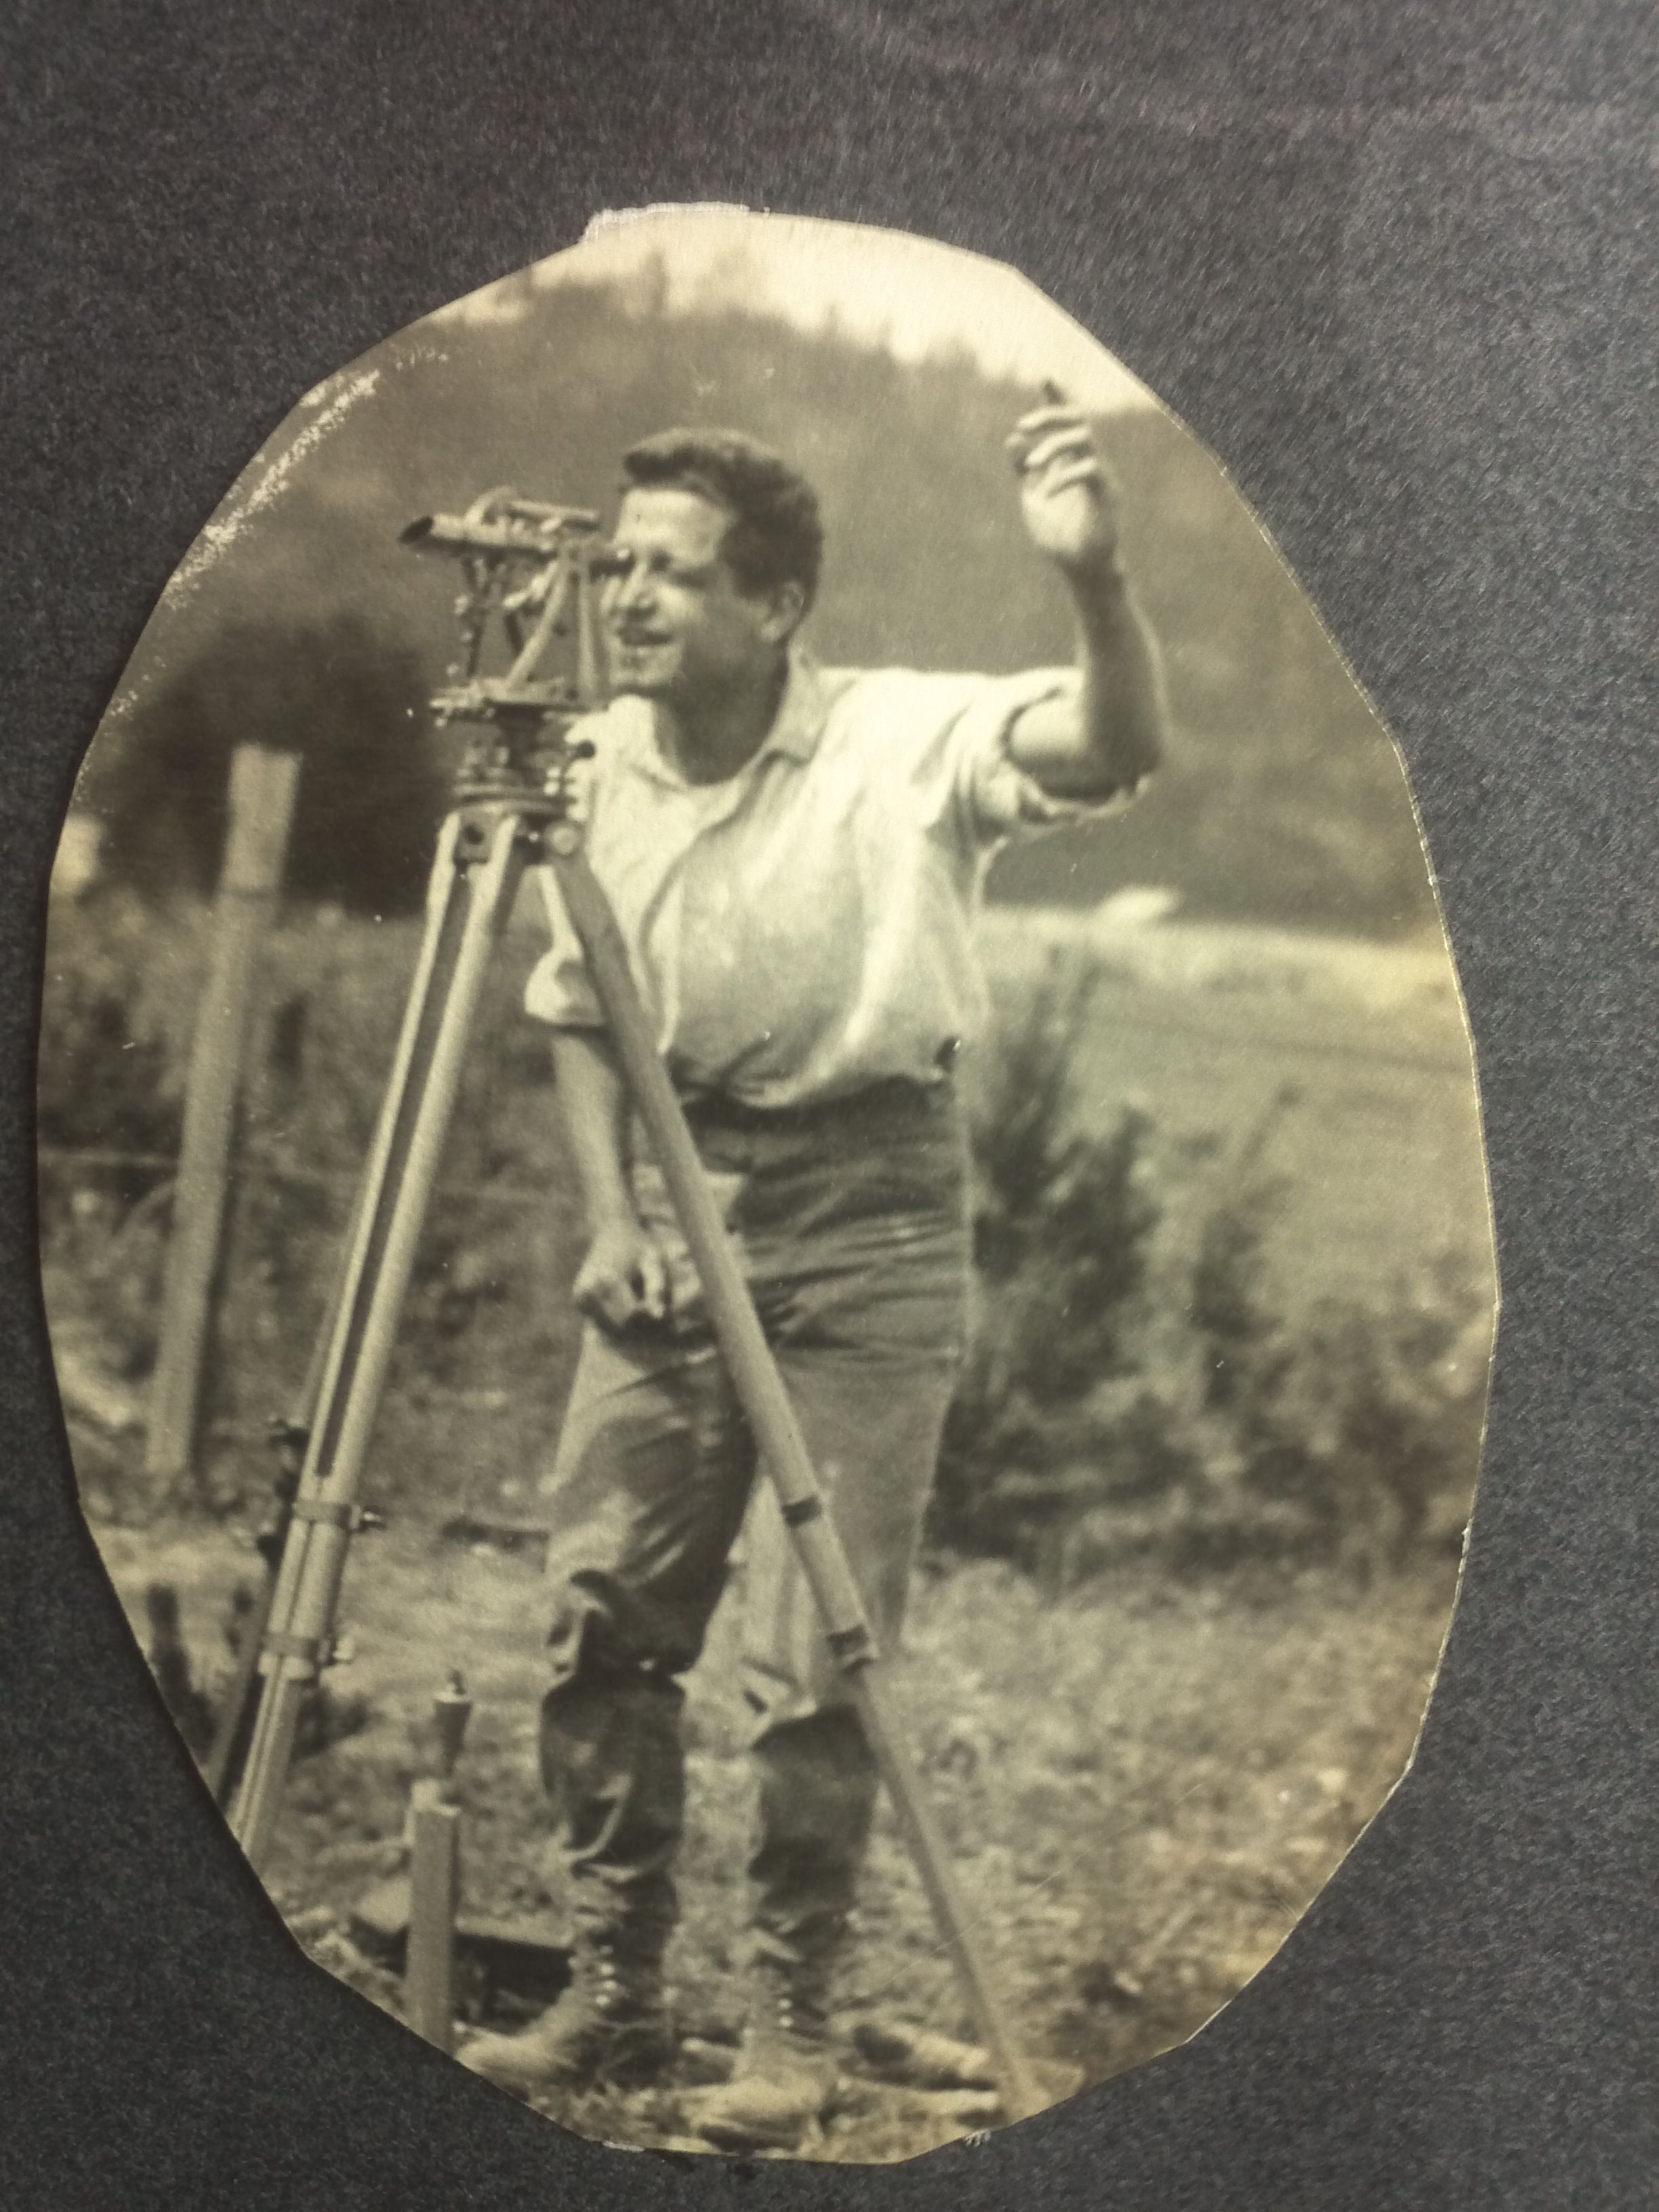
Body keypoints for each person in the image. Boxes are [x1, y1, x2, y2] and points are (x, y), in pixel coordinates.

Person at [459, 397, 1166, 2146]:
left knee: (814, 1654)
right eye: (617, 566)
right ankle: (618, 1994)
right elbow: (579, 1010)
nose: (626, 601)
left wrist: (1094, 578)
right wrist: (617, 1218)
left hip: (874, 1212)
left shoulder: (902, 740)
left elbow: (1107, 744)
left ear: (775, 606)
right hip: (679, 1199)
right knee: (599, 1607)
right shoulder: (595, 762)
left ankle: (795, 2020)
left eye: (674, 577)